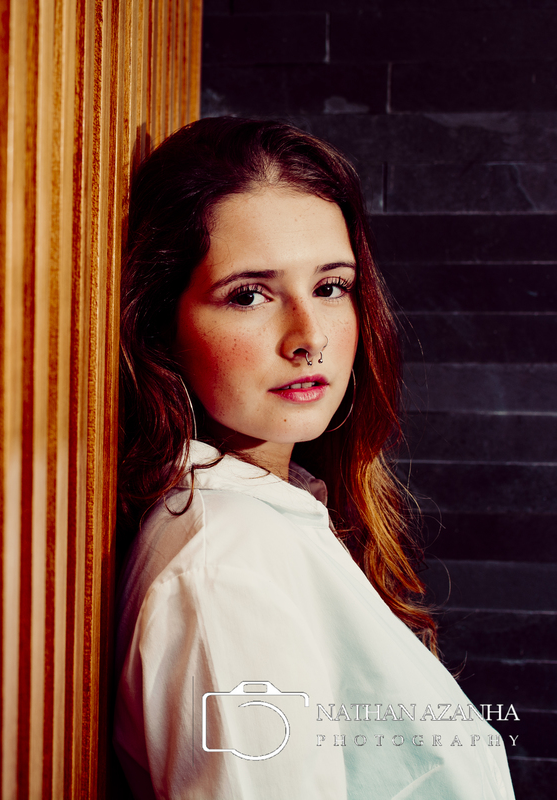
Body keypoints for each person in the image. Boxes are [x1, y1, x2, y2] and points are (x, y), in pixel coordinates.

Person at [113, 117, 515, 799]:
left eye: (330, 287)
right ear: (161, 326)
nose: (309, 338)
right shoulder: (226, 570)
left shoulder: (270, 517)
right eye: (249, 294)